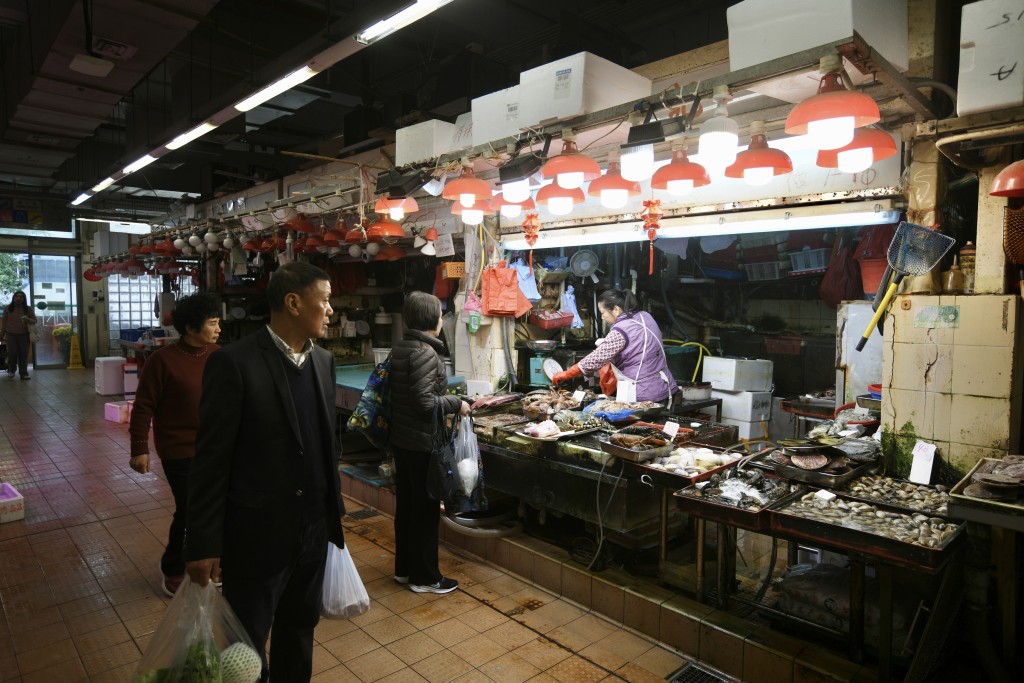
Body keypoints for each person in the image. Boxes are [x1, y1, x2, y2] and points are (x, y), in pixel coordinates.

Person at [185, 262, 345, 683]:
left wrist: (331, 516)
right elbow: (210, 460)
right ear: (293, 303)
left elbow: (325, 442)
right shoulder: (235, 364)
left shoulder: (324, 362)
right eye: (324, 299)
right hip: (256, 533)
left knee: (299, 631)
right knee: (245, 649)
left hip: (313, 530)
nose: (330, 310)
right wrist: (203, 542)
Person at [128, 293, 221, 597]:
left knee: (213, 507)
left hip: (214, 449)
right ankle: (173, 567)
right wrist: (139, 447)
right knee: (191, 508)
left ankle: (211, 562)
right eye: (212, 323)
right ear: (192, 328)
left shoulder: (219, 355)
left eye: (218, 321)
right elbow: (143, 406)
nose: (218, 328)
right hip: (178, 449)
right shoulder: (162, 360)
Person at [388, 291, 469, 594]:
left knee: (408, 507)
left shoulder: (403, 346)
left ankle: (405, 570)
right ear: (429, 319)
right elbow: (424, 402)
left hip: (404, 440)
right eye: (439, 314)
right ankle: (425, 578)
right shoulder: (425, 352)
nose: (441, 319)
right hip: (421, 443)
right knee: (424, 511)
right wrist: (456, 403)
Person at [552, 289, 679, 404]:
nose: (602, 317)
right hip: (666, 387)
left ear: (616, 310)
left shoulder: (620, 331)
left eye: (603, 313)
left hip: (643, 395)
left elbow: (595, 359)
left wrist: (567, 374)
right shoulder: (645, 316)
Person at [1, 291, 36, 379]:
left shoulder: (28, 309)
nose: (18, 298)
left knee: (23, 354)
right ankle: (11, 370)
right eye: (17, 296)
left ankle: (23, 373)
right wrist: (1, 336)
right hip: (10, 334)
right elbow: (4, 324)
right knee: (12, 353)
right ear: (13, 298)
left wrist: (27, 319)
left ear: (24, 299)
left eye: (21, 297)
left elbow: (34, 321)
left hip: (24, 334)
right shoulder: (8, 308)